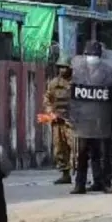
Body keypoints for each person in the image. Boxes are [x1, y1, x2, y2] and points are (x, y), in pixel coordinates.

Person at [69, 41, 112, 194]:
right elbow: (74, 96)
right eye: (89, 54)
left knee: (103, 154)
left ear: (99, 56)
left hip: (101, 120)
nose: (91, 57)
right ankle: (80, 184)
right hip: (84, 120)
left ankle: (103, 182)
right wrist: (74, 117)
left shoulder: (108, 71)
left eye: (94, 54)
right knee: (83, 154)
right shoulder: (78, 71)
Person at [43, 56, 74, 184]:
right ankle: (65, 174)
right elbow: (47, 99)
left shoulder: (76, 83)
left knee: (75, 148)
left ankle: (79, 174)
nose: (62, 70)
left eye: (65, 67)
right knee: (59, 148)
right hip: (57, 121)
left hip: (72, 121)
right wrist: (50, 113)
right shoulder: (54, 83)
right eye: (60, 67)